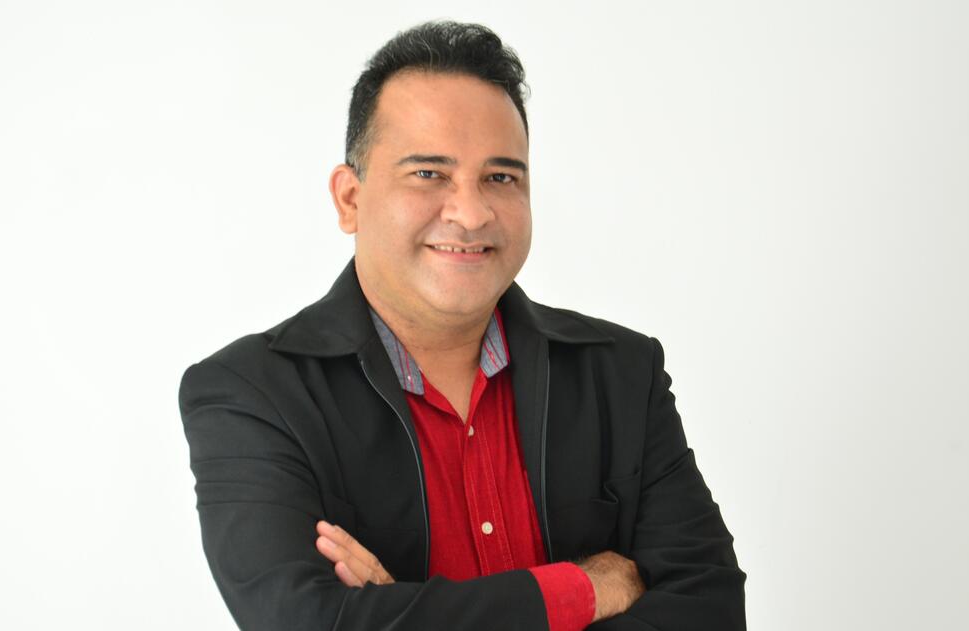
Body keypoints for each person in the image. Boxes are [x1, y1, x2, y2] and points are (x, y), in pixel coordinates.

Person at [178, 20, 746, 631]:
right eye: (429, 173)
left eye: (501, 177)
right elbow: (303, 621)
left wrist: (402, 612)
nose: (472, 214)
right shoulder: (252, 394)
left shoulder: (622, 373)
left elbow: (710, 609)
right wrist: (583, 588)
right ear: (350, 199)